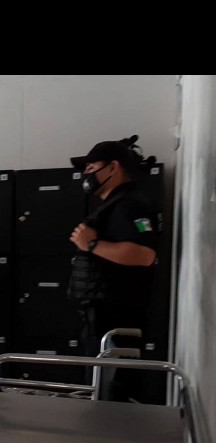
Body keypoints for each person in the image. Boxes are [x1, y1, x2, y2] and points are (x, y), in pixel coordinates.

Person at [68, 136, 159, 403]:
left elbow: (145, 255)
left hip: (116, 319)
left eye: (91, 167)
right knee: (99, 391)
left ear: (113, 167)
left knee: (111, 394)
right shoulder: (116, 203)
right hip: (102, 319)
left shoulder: (131, 204)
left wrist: (91, 244)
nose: (86, 174)